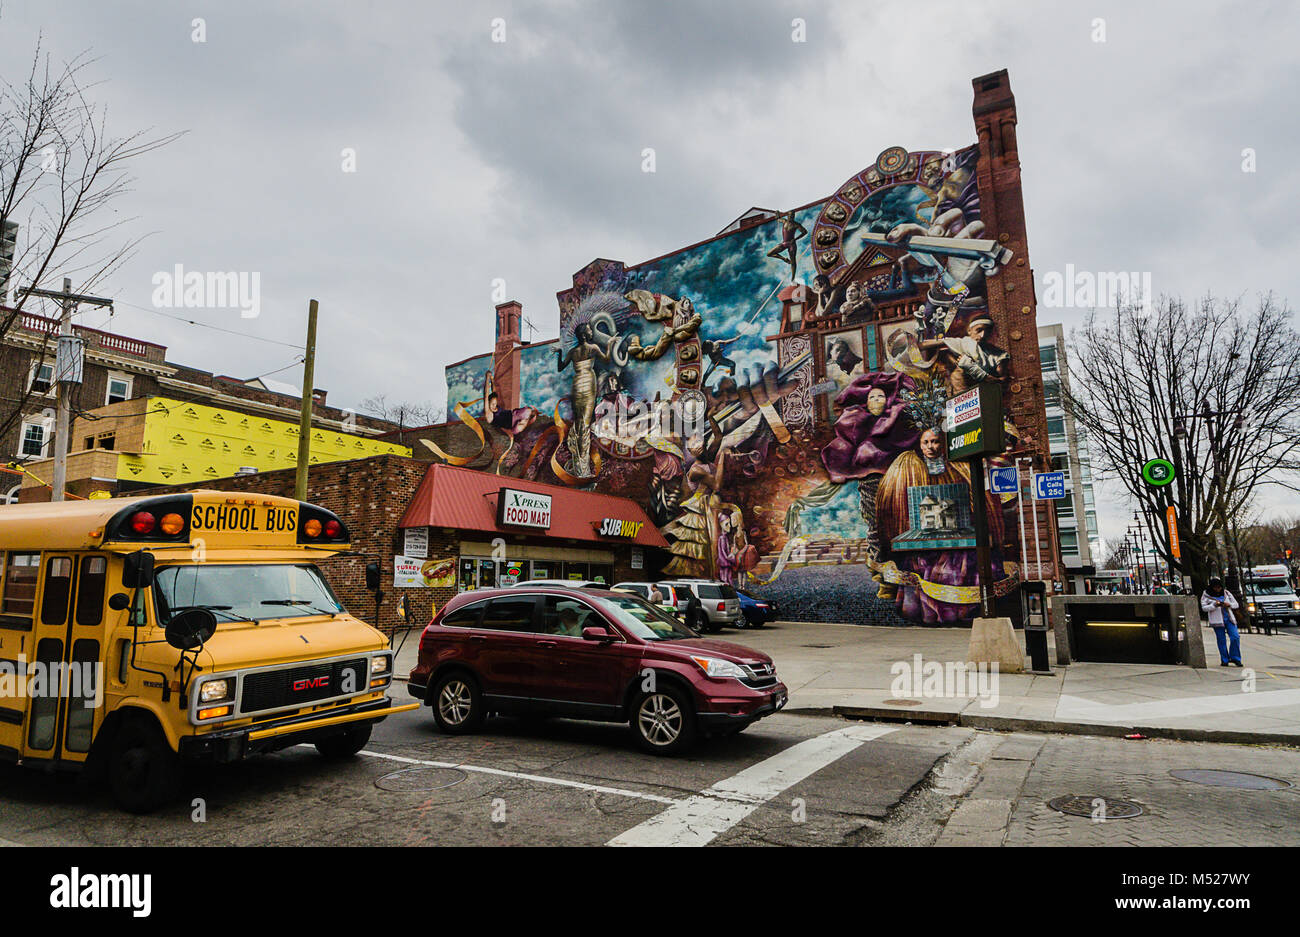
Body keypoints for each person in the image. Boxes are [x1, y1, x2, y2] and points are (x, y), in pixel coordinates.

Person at [1201, 577, 1242, 667]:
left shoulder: (1226, 593)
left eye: (1219, 587)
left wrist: (1229, 604)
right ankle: (1225, 659)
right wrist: (1214, 605)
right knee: (1221, 640)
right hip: (1217, 620)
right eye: (1215, 587)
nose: (1217, 589)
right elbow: (1204, 608)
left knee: (1235, 637)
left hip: (1229, 618)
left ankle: (1235, 657)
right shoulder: (1206, 595)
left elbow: (1236, 605)